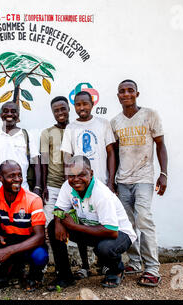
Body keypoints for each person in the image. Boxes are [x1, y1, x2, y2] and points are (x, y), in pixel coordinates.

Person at [110, 79, 168, 287]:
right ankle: (134, 262)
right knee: (128, 224)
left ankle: (152, 269)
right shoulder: (115, 122)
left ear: (137, 93)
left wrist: (164, 174)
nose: (126, 94)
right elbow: (114, 153)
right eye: (122, 91)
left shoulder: (149, 115)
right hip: (123, 181)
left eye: (130, 91)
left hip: (144, 178)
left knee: (144, 220)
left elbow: (160, 145)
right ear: (118, 96)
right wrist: (112, 181)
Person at [47, 156, 136, 290]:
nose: (76, 179)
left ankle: (116, 270)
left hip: (119, 234)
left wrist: (73, 226)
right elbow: (59, 208)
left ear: (91, 173)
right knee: (53, 226)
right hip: (92, 230)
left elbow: (111, 231)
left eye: (81, 174)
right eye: (71, 175)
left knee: (104, 248)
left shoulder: (101, 193)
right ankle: (65, 276)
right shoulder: (67, 186)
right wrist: (59, 223)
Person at [0, 160, 48, 291]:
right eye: (11, 176)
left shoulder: (33, 199)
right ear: (0, 178)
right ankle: (1, 275)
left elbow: (39, 237)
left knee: (40, 256)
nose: (17, 179)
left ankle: (34, 277)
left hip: (28, 243)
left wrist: (8, 251)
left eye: (20, 175)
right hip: (8, 240)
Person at [0, 101, 42, 199]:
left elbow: (36, 162)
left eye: (13, 111)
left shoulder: (26, 135)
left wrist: (38, 186)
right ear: (1, 115)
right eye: (6, 111)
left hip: (23, 189)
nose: (9, 114)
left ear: (18, 115)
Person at [60, 91, 116, 192]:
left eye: (85, 104)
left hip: (102, 182)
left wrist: (111, 182)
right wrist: (69, 183)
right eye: (78, 105)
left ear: (92, 104)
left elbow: (111, 153)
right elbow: (67, 158)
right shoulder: (70, 128)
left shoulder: (103, 123)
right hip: (80, 184)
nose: (82, 108)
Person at [40, 96, 70, 223]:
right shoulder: (47, 133)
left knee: (72, 222)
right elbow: (44, 162)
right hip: (53, 186)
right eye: (56, 111)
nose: (60, 113)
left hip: (74, 185)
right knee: (50, 223)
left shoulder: (77, 129)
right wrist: (43, 187)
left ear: (69, 108)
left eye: (63, 109)